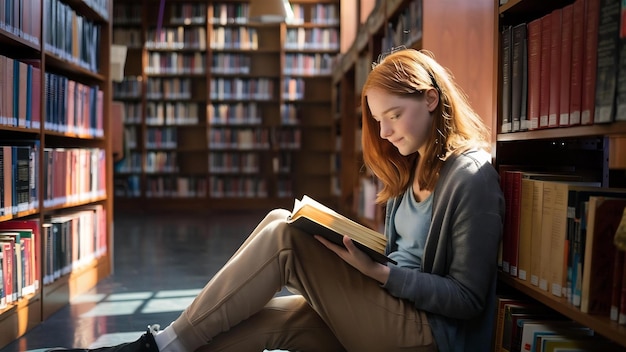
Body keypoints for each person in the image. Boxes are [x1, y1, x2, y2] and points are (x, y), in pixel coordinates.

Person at [51, 48, 504, 352]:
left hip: (426, 335)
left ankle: (158, 345)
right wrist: (360, 255)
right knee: (259, 319)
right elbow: (406, 257)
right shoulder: (412, 168)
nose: (384, 133)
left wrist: (378, 273)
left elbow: (466, 299)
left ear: (429, 99)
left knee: (285, 235)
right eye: (378, 120)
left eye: (393, 116)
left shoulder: (470, 176)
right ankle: (164, 346)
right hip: (387, 307)